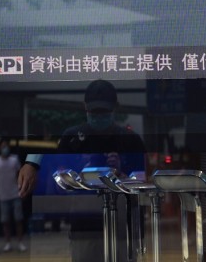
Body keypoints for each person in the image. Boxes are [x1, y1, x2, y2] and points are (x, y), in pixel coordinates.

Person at [19, 79, 146, 262]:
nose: (99, 116)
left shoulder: (130, 140)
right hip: (85, 223)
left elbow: (143, 184)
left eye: (104, 111)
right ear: (85, 107)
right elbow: (58, 182)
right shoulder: (72, 138)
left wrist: (122, 176)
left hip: (123, 225)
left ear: (115, 107)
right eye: (94, 112)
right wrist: (78, 176)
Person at [0, 139, 27, 252]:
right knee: (5, 221)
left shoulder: (14, 160)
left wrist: (22, 189)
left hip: (15, 193)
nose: (5, 148)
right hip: (3, 195)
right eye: (3, 146)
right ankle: (8, 242)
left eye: (6, 146)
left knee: (18, 219)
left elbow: (19, 175)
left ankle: (20, 242)